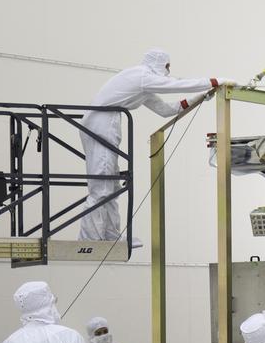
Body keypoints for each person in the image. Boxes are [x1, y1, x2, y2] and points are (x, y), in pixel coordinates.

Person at [79, 49, 234, 242]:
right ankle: (90, 239)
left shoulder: (143, 86)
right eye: (167, 66)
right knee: (102, 184)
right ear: (158, 63)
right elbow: (176, 85)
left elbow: (166, 110)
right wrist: (215, 81)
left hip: (105, 123)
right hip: (101, 123)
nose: (168, 71)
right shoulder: (141, 76)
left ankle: (109, 235)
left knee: (111, 184)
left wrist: (200, 97)